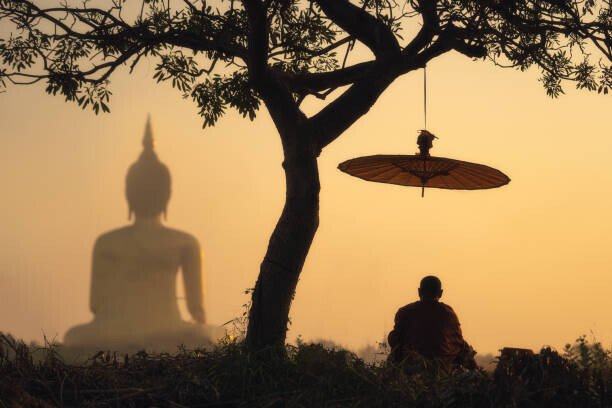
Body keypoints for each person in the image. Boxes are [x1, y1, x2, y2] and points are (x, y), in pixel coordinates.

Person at [64, 117, 224, 351]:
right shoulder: (185, 243)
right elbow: (197, 312)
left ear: (128, 194)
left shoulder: (107, 242)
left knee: (74, 336)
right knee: (214, 336)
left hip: (111, 338)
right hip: (170, 336)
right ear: (167, 195)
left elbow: (96, 305)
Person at [387, 276, 476, 368]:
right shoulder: (448, 313)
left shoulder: (405, 311)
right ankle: (479, 376)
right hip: (441, 369)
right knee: (464, 348)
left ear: (419, 291)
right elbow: (458, 341)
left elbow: (394, 340)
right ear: (441, 293)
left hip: (410, 367)